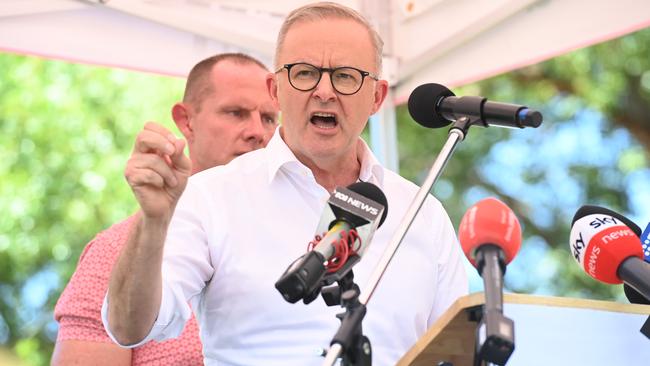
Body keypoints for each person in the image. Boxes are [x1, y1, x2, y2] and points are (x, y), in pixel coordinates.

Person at [104, 2, 468, 365]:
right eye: (305, 73)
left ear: (376, 97)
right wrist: (152, 224)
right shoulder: (210, 196)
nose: (324, 91)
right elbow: (130, 328)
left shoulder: (423, 213)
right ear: (275, 90)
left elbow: (459, 353)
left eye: (345, 76)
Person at [51, 52, 279, 366]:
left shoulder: (301, 239)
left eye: (269, 118)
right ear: (186, 120)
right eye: (236, 113)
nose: (259, 132)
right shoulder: (115, 254)